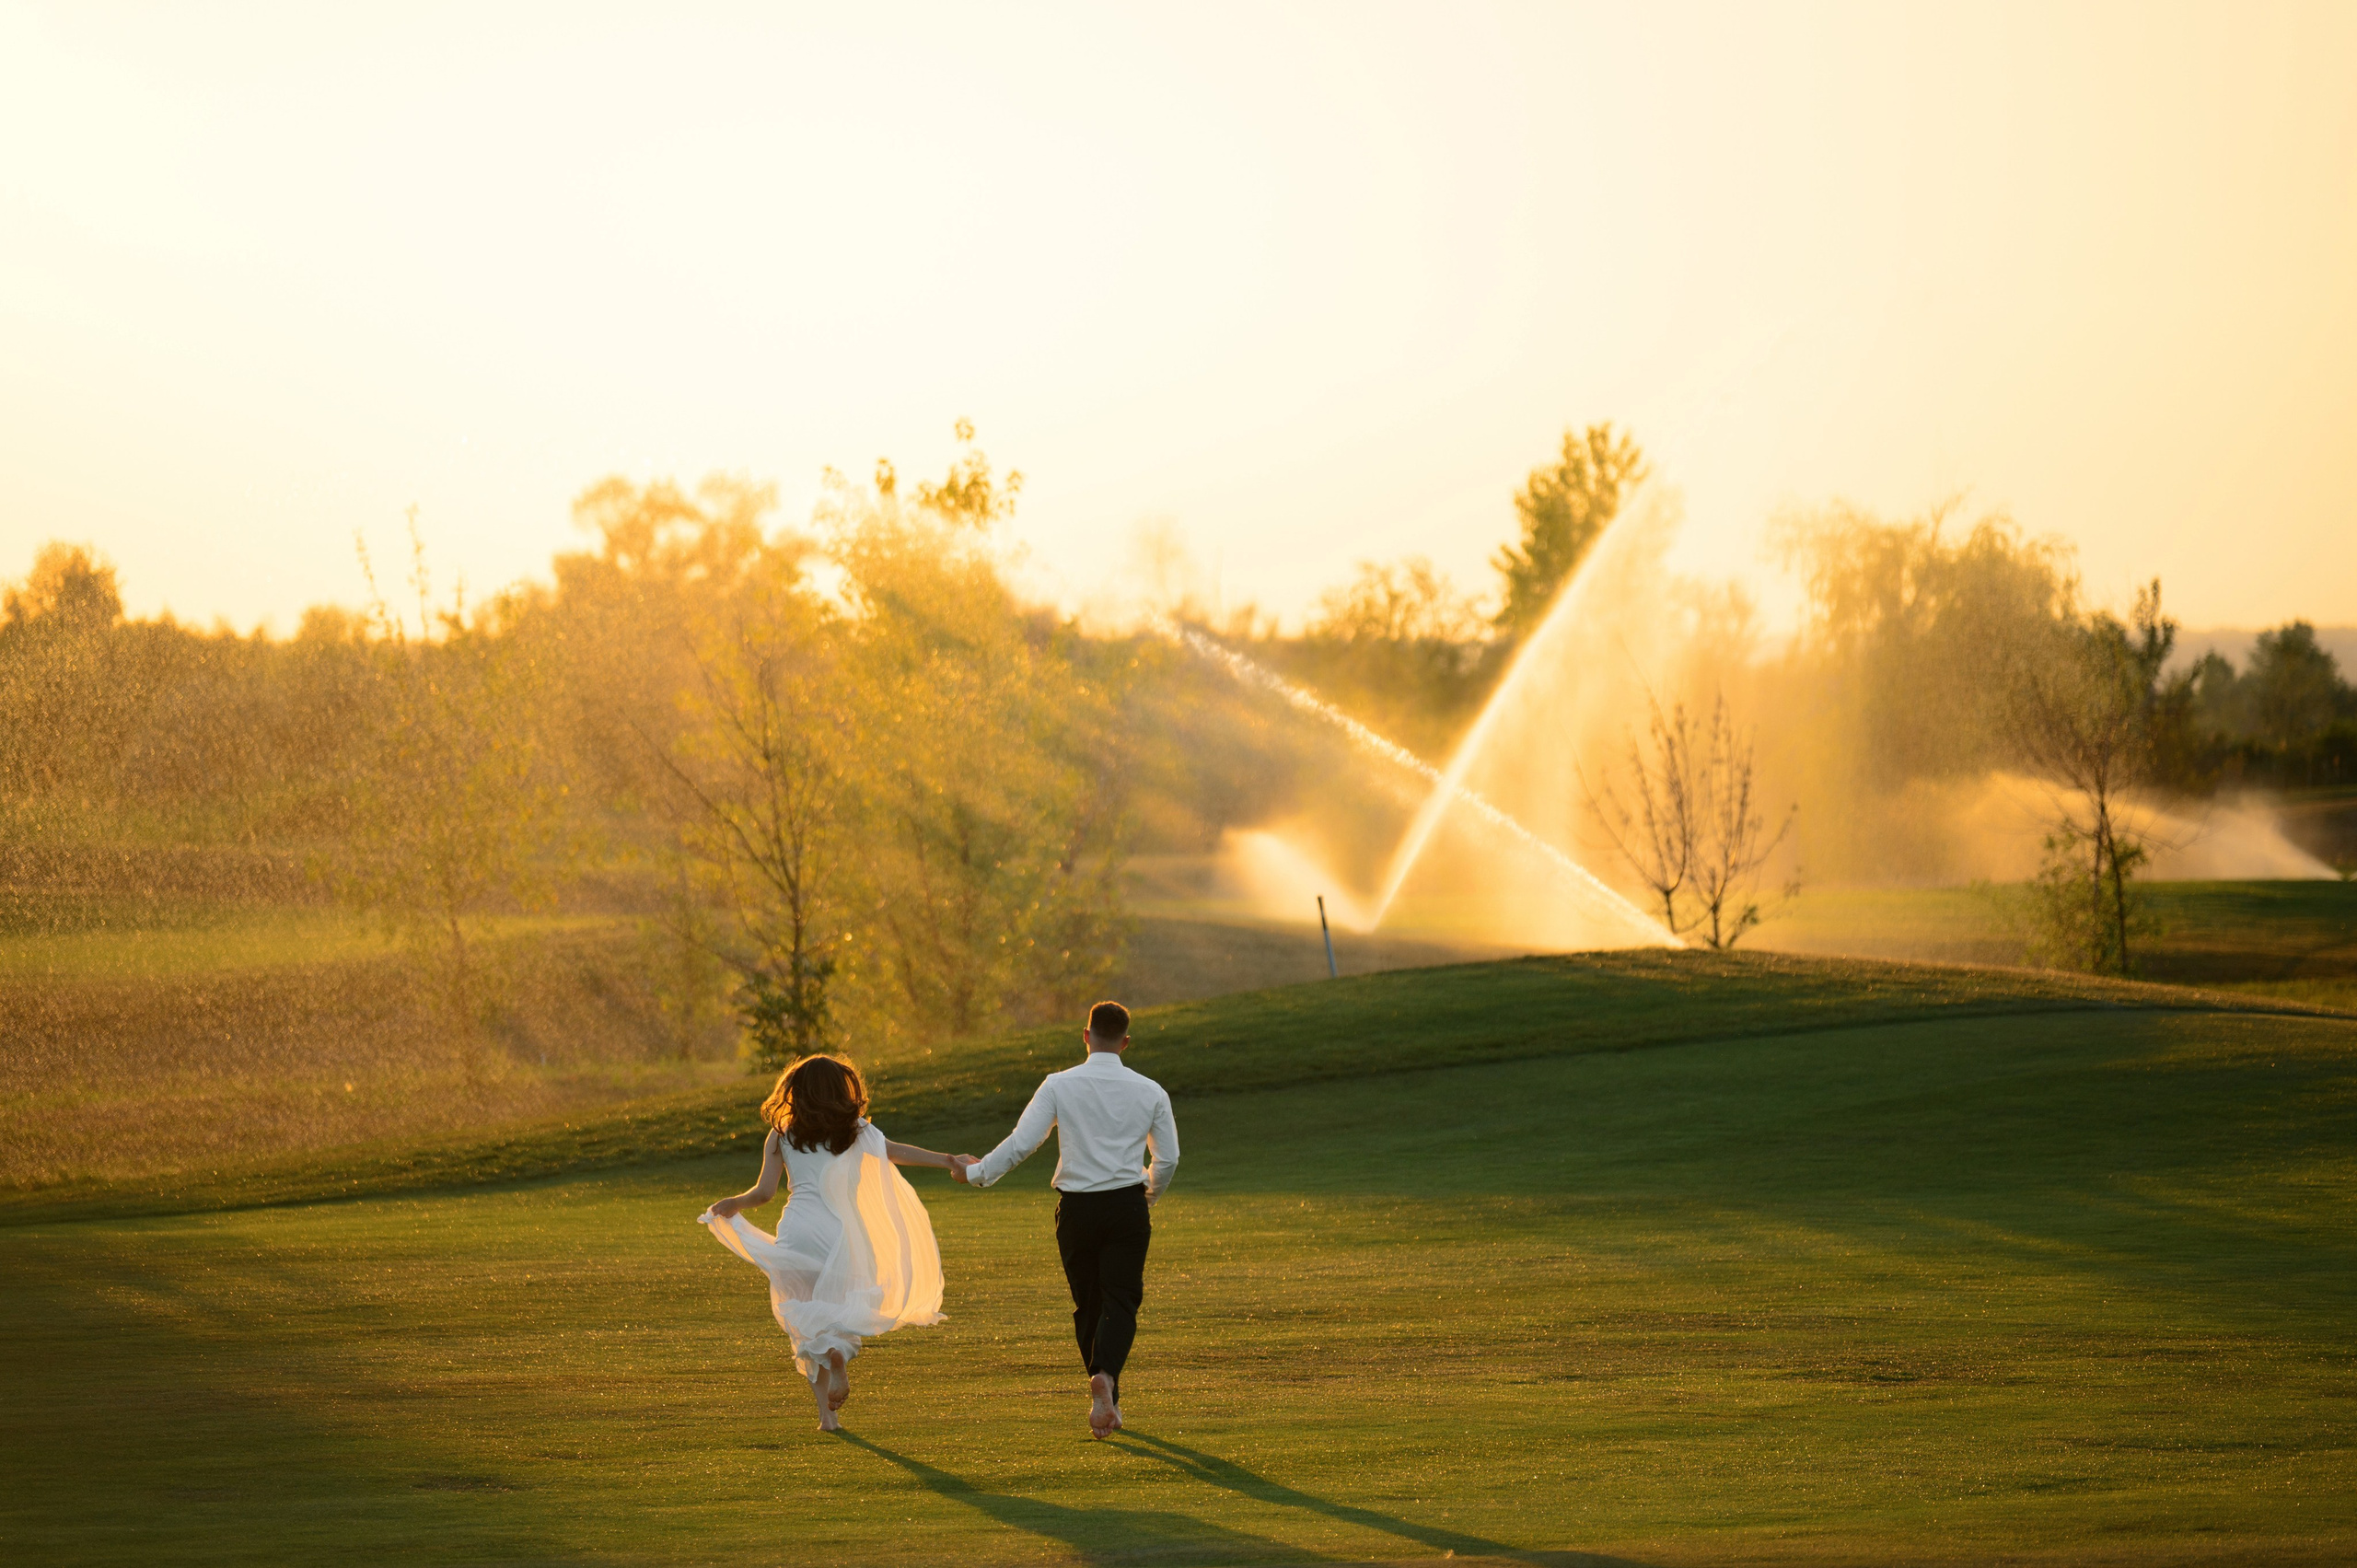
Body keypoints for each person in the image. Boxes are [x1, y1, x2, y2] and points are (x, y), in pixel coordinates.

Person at [951, 999, 1179, 1438]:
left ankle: (1105, 1391)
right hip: (1127, 1205)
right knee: (1121, 1300)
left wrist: (977, 1174)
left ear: (1086, 1036)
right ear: (1126, 1042)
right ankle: (1107, 1382)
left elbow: (1022, 1143)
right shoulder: (1151, 1091)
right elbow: (1167, 1158)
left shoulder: (1058, 1084)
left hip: (1076, 1208)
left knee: (1088, 1304)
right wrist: (1147, 1195)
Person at [700, 1053, 955, 1433]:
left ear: (797, 1092)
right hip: (841, 1236)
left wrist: (734, 1203)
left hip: (798, 1233)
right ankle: (836, 1362)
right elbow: (897, 1153)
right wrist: (949, 1159)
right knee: (841, 1312)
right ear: (841, 1090)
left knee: (803, 1319)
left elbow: (764, 1192)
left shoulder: (783, 1134)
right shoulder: (856, 1131)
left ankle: (828, 1416)